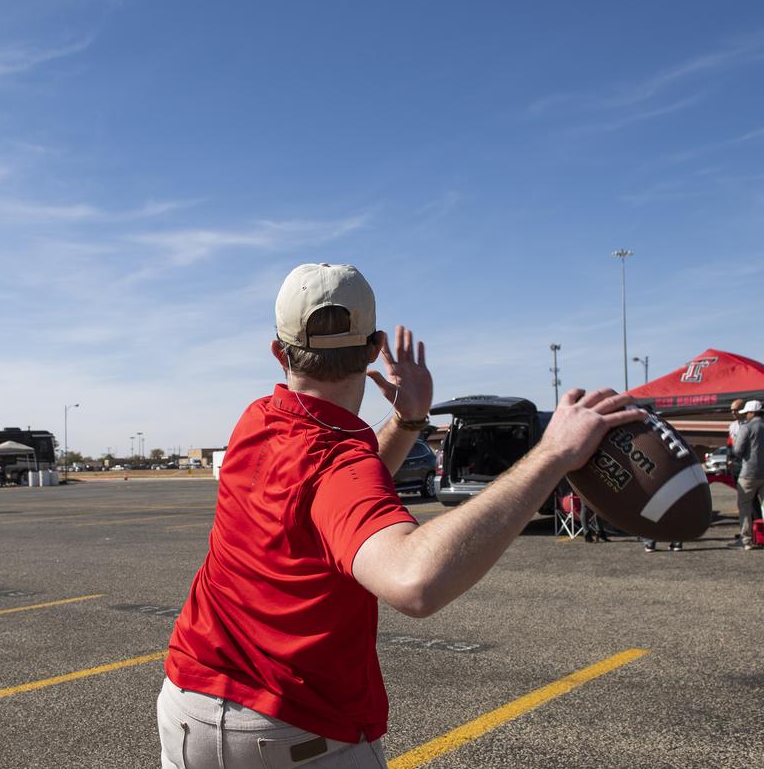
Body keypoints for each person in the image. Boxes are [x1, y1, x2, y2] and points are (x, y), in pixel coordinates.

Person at [158, 263, 645, 769]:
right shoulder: (340, 464)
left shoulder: (257, 421)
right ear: (374, 349)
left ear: (278, 352)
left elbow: (338, 496)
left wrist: (409, 421)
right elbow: (415, 581)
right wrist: (551, 455)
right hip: (295, 734)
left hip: (186, 704)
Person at [730, 399, 763, 550]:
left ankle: (746, 540)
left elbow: (737, 451)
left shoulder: (746, 427)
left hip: (748, 473)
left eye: (747, 413)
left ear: (751, 412)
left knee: (745, 507)